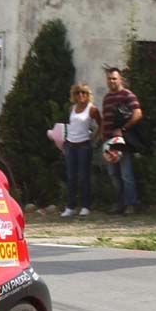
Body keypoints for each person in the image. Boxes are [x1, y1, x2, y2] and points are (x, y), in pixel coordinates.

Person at [100, 67, 143, 215]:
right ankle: (119, 203)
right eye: (109, 78)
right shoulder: (106, 98)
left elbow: (137, 114)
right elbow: (105, 119)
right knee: (113, 175)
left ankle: (131, 204)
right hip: (108, 142)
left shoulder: (127, 95)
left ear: (120, 79)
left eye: (114, 78)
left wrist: (123, 129)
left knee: (126, 174)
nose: (111, 81)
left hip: (122, 141)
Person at [60, 83, 101, 218]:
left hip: (84, 145)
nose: (81, 95)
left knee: (84, 176)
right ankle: (70, 206)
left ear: (88, 95)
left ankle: (85, 206)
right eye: (78, 93)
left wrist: (93, 139)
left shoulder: (92, 109)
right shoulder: (72, 108)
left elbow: (101, 125)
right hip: (71, 145)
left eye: (83, 93)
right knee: (71, 176)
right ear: (74, 95)